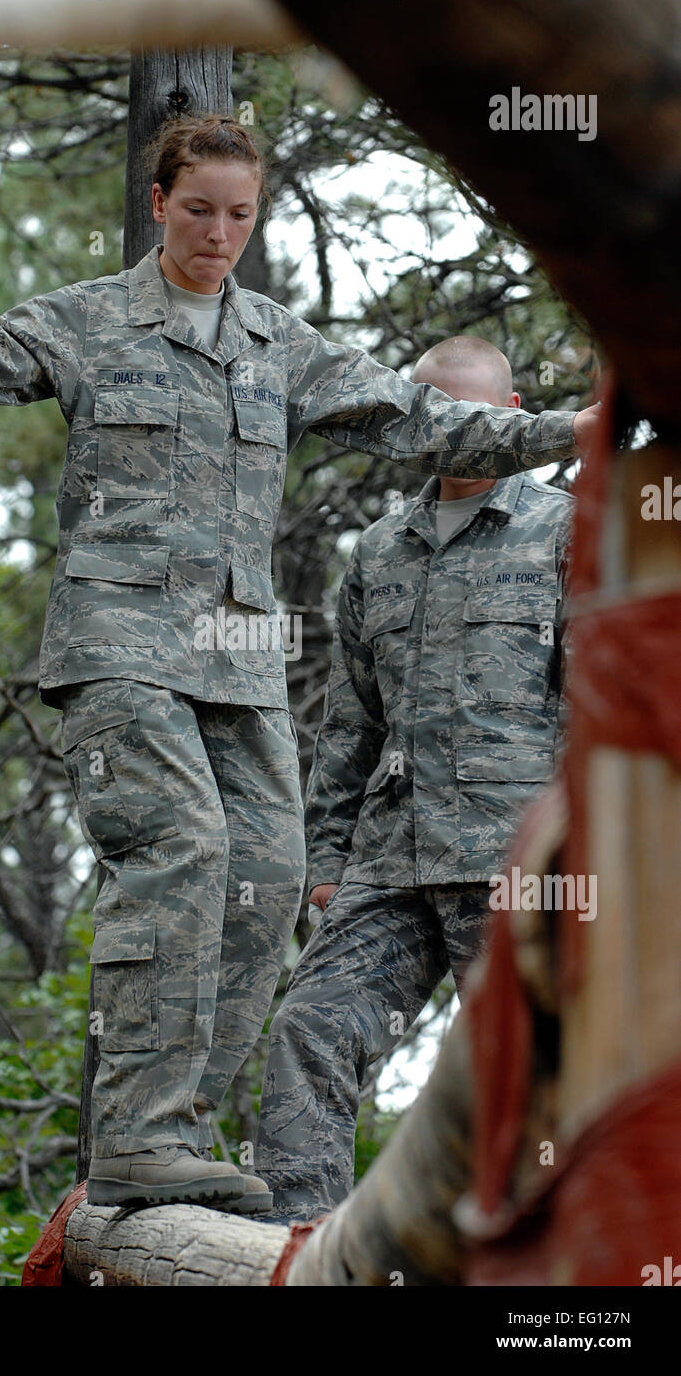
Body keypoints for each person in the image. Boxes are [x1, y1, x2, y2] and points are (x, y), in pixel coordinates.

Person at [0, 114, 595, 1213]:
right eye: (199, 210)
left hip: (235, 660)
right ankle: (136, 1127)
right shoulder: (91, 320)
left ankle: (178, 1127)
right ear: (157, 204)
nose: (218, 234)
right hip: (121, 648)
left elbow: (424, 424)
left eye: (239, 215)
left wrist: (570, 425)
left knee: (271, 873)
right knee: (184, 846)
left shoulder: (278, 342)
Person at [254, 336, 574, 1222]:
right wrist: (326, 856)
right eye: (440, 421)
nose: (458, 439)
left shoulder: (568, 532)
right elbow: (352, 719)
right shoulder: (380, 551)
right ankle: (300, 1251)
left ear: (511, 421)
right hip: (390, 863)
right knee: (309, 1032)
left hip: (518, 862)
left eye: (478, 421)